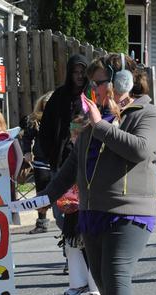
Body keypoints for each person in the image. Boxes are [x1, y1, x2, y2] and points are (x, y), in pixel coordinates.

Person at [41, 53, 156, 295]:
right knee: (100, 278)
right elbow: (73, 164)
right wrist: (46, 196)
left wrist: (100, 126)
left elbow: (139, 149)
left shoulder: (146, 113)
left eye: (98, 81)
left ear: (121, 81)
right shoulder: (91, 119)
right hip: (92, 211)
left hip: (130, 212)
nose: (92, 87)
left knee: (115, 272)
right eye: (91, 82)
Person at [38, 54, 89, 273]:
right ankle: (71, 248)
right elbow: (45, 131)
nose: (79, 76)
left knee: (83, 212)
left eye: (82, 72)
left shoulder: (92, 97)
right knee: (61, 214)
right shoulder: (59, 97)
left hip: (87, 163)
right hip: (62, 162)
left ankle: (81, 258)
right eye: (75, 72)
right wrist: (50, 155)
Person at [58, 122, 100, 295]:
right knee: (72, 244)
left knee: (92, 245)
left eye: (79, 134)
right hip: (72, 206)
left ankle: (96, 284)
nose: (76, 138)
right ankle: (77, 283)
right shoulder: (69, 154)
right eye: (74, 134)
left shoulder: (97, 154)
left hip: (92, 205)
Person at [20, 91, 54, 233]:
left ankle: (68, 220)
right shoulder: (35, 120)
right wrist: (27, 151)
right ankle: (42, 223)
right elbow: (27, 137)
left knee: (65, 191)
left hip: (59, 161)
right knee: (42, 193)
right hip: (41, 162)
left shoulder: (63, 118)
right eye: (46, 105)